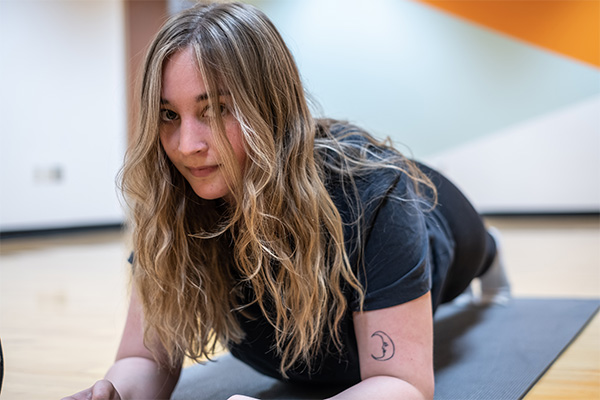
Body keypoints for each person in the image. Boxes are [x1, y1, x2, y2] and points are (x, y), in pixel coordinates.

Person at [64, 2, 510, 399]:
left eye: (216, 109)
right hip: (302, 341)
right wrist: (113, 393)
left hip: (441, 221)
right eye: (168, 115)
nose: (185, 145)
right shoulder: (172, 202)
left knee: (476, 249)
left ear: (269, 107)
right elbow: (143, 359)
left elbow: (403, 381)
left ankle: (492, 252)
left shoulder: (375, 195)